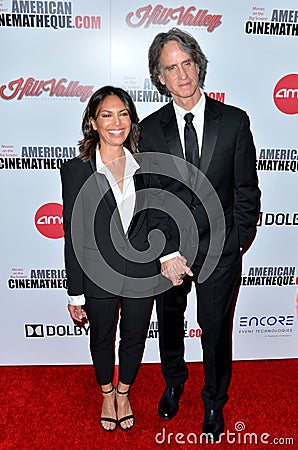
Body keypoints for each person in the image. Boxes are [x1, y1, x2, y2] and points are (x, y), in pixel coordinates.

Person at [138, 28, 261, 441]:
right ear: (160, 77)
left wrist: (236, 240)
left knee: (215, 329)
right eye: (171, 68)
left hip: (220, 249)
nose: (182, 74)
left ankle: (213, 400)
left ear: (198, 64)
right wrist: (165, 252)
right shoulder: (149, 130)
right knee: (170, 323)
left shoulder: (235, 122)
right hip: (169, 252)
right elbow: (148, 197)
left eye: (187, 63)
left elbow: (246, 189)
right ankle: (173, 381)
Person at [60, 86, 158, 432]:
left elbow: (157, 220)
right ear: (93, 121)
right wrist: (75, 292)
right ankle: (106, 394)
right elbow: (73, 232)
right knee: (101, 336)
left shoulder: (148, 164)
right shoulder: (76, 170)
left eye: (123, 114)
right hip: (96, 272)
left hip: (141, 272)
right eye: (107, 114)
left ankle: (124, 392)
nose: (116, 122)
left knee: (134, 336)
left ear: (131, 120)